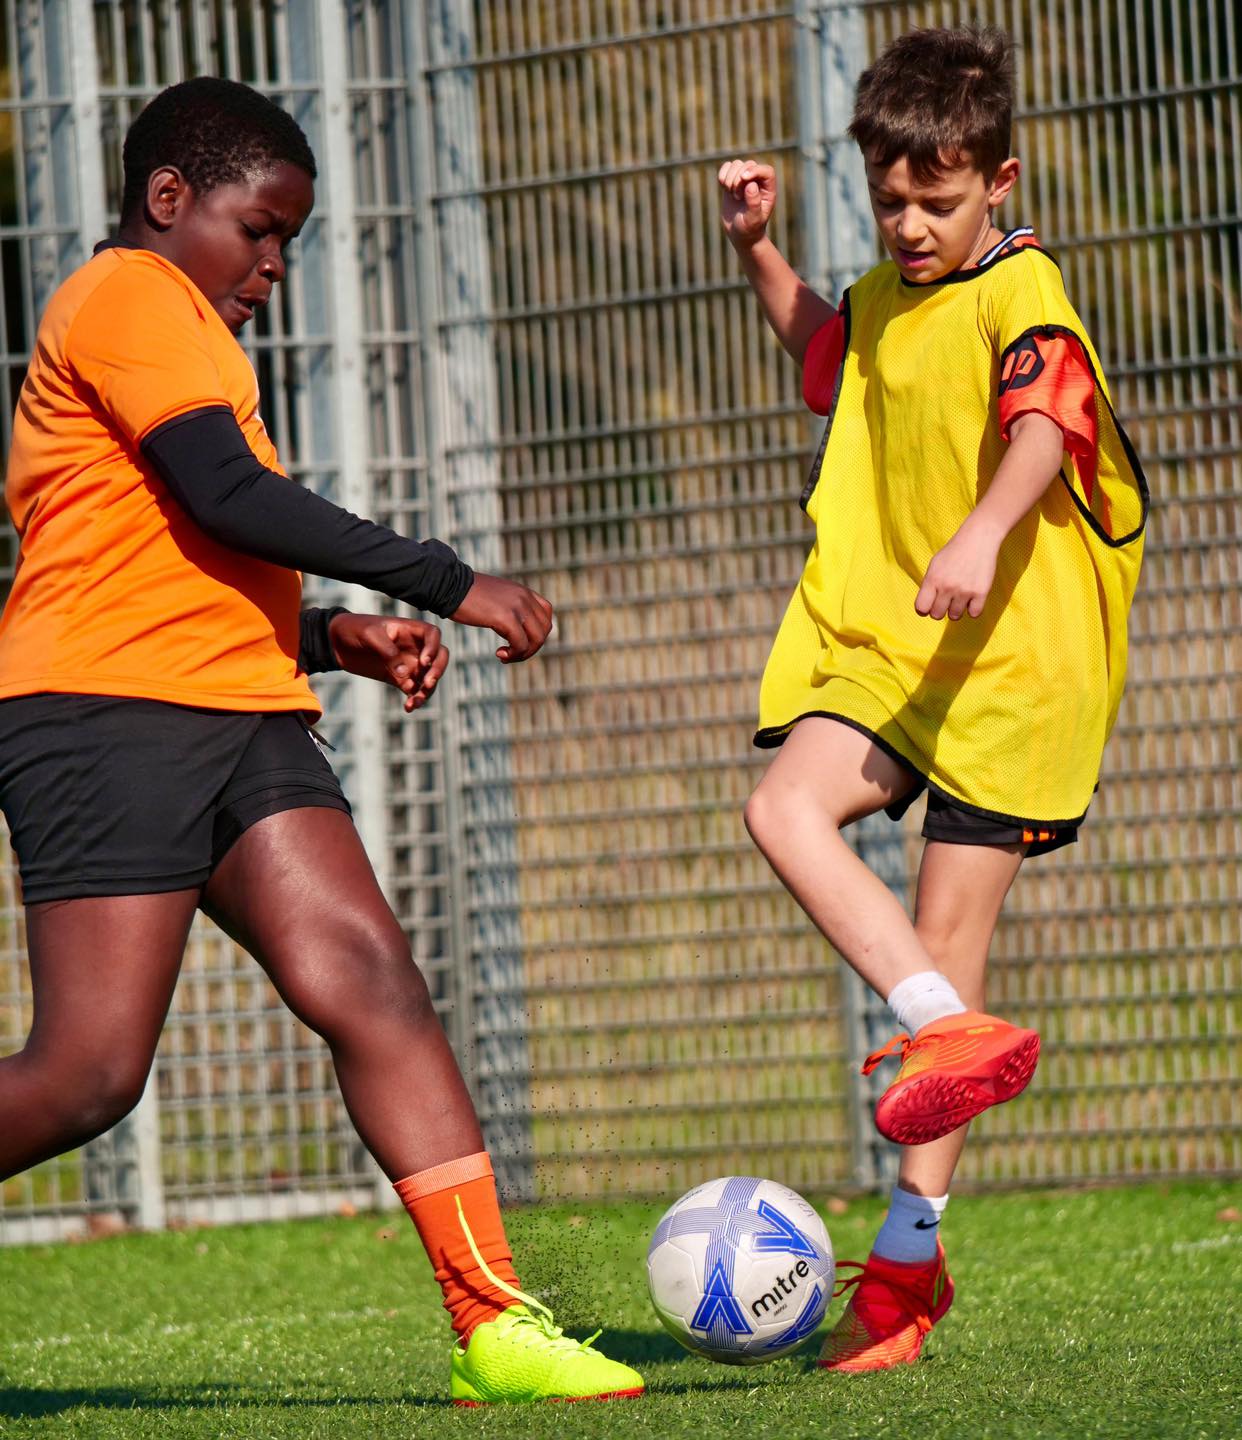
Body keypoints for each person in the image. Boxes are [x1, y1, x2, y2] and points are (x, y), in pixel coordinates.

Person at [0, 76, 643, 1409]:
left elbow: (167, 552)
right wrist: (442, 579)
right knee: (86, 1077)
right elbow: (224, 497)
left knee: (372, 980)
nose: (275, 265)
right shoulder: (124, 297)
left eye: (290, 239)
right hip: (104, 718)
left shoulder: (190, 335)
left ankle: (494, 1325)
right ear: (168, 202)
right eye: (258, 230)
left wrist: (327, 635)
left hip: (235, 709)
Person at [718, 26, 1146, 1371]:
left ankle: (901, 1281)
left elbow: (1041, 424)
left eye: (936, 201)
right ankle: (941, 1029)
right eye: (888, 198)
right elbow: (829, 357)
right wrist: (760, 252)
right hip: (900, 646)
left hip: (1019, 663)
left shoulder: (1027, 292)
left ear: (999, 181)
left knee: (947, 944)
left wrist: (978, 533)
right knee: (785, 811)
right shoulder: (884, 290)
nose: (907, 224)